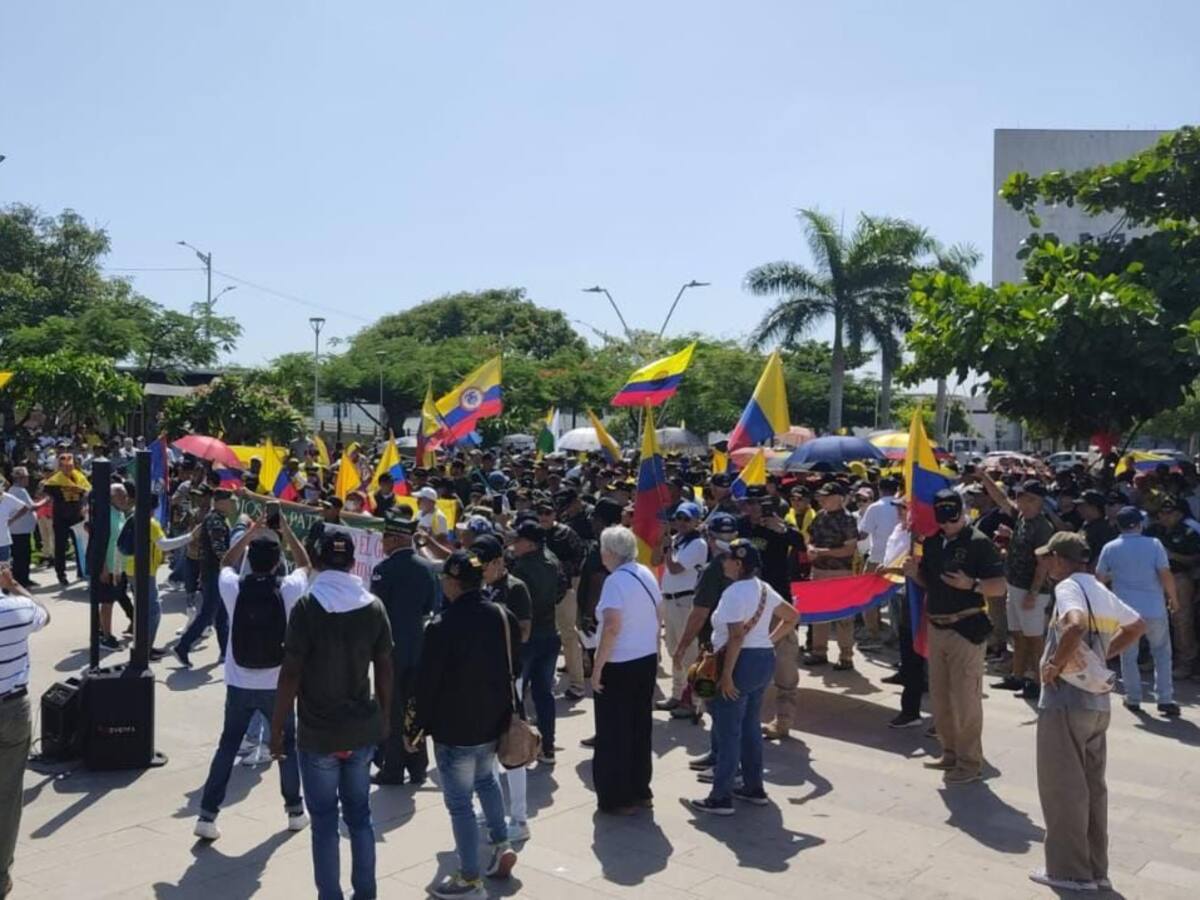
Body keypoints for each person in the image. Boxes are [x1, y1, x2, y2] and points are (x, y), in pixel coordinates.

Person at [270, 527, 394, 900]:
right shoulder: (373, 605)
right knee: (360, 818)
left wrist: (277, 729)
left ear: (317, 560)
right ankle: (366, 893)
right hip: (361, 729)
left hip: (318, 733)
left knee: (324, 823)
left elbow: (290, 673)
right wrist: (385, 716)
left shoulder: (307, 606)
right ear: (353, 562)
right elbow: (385, 667)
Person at [1031, 532, 1146, 893]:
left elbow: (1076, 624)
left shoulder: (1068, 587)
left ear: (1059, 559)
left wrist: (1054, 663)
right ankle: (1097, 869)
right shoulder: (1098, 588)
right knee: (1093, 789)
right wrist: (1102, 656)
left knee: (1063, 788)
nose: (1046, 564)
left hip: (1066, 700)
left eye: (1048, 558)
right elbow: (1137, 625)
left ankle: (1070, 872)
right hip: (1097, 703)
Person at [194, 517, 311, 840]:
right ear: (277, 563)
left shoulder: (234, 587)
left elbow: (225, 562)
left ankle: (207, 814)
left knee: (228, 746)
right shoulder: (288, 589)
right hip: (277, 685)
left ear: (250, 560)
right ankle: (295, 810)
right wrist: (286, 529)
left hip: (239, 682)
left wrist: (249, 531)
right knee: (286, 746)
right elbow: (305, 563)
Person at [413, 550, 520, 899]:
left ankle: (470, 877)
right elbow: (515, 666)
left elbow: (426, 683)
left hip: (454, 727)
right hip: (492, 721)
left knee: (460, 803)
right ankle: (501, 843)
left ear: (452, 583)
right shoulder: (502, 615)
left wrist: (414, 727)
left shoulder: (441, 626)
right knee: (487, 780)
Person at [903, 490, 1006, 785]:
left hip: (965, 628)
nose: (947, 524)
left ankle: (970, 762)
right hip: (937, 626)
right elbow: (930, 582)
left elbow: (1000, 587)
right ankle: (949, 752)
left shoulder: (979, 543)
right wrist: (914, 573)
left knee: (965, 700)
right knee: (940, 697)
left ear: (962, 512)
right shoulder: (933, 542)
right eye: (943, 518)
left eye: (952, 517)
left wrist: (971, 584)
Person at [689, 539, 799, 815]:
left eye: (726, 558)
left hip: (739, 662)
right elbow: (792, 616)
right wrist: (769, 640)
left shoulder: (733, 593)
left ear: (738, 564)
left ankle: (721, 797)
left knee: (728, 732)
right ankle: (753, 787)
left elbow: (736, 636)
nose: (722, 561)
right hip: (762, 660)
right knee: (750, 726)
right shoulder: (763, 588)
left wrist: (727, 675)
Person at [590, 525, 662, 815]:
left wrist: (597, 667)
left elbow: (612, 626)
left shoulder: (615, 582)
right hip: (645, 658)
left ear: (610, 552)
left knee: (613, 732)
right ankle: (640, 788)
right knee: (639, 726)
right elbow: (658, 614)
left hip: (619, 663)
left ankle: (618, 797)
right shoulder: (645, 573)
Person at [370, 510, 439, 785]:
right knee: (414, 706)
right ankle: (418, 766)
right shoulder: (427, 568)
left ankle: (393, 767)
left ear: (396, 539)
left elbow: (376, 610)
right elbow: (429, 606)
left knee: (391, 708)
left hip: (389, 648)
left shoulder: (383, 570)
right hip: (418, 645)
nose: (382, 543)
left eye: (385, 537)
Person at [474, 535, 532, 841]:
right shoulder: (478, 587)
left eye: (484, 564)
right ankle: (490, 808)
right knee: (486, 749)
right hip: (482, 677)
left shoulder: (515, 588)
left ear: (498, 562)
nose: (480, 570)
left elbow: (524, 631)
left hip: (508, 677)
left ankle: (519, 818)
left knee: (512, 747)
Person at [1096, 507, 1180, 715]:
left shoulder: (1110, 547)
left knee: (1128, 655)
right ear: (1140, 524)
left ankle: (1133, 698)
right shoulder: (1154, 544)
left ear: (1119, 525)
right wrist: (1173, 598)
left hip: (1125, 612)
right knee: (1161, 653)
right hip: (1154, 608)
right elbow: (1165, 573)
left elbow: (1099, 578)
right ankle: (1165, 698)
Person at [674, 513, 739, 768]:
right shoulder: (748, 564)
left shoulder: (713, 570)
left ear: (710, 538)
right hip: (744, 645)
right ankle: (728, 758)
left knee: (716, 705)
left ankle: (723, 761)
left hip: (716, 648)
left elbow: (700, 613)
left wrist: (681, 647)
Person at [0, 566, 49, 898]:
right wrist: (15, 585)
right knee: (7, 796)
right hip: (13, 708)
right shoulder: (17, 609)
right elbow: (44, 614)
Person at [987, 477, 1057, 699]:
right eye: (1021, 498)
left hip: (1031, 591)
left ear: (1039, 501)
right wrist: (983, 476)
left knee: (1034, 639)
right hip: (1015, 585)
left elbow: (1043, 564)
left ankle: (1037, 682)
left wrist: (1033, 593)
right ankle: (1017, 676)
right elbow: (1001, 498)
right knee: (1017, 635)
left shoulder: (1043, 527)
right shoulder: (1022, 517)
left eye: (1029, 499)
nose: (1023, 503)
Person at [509, 519, 563, 765]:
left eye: (518, 540)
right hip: (549, 633)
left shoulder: (521, 569)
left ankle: (521, 748)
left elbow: (517, 604)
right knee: (544, 694)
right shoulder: (552, 562)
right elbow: (561, 590)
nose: (514, 544)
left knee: (518, 694)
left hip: (527, 638)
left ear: (530, 544)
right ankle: (548, 747)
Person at [652, 501, 709, 716]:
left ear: (696, 521)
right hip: (669, 600)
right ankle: (677, 694)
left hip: (685, 601)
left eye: (687, 519)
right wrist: (661, 543)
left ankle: (693, 701)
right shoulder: (676, 540)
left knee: (688, 652)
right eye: (679, 518)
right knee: (673, 649)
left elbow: (675, 568)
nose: (682, 523)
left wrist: (668, 549)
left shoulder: (697, 544)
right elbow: (655, 560)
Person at [174, 487, 236, 668]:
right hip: (214, 572)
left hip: (215, 572)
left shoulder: (216, 518)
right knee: (208, 613)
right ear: (221, 502)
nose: (232, 505)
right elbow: (219, 551)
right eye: (229, 501)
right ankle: (183, 646)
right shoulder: (215, 520)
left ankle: (225, 653)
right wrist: (232, 564)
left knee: (221, 614)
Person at [806, 482, 860, 670]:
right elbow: (810, 538)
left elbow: (849, 550)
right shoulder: (820, 516)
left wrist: (821, 552)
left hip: (841, 573)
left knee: (844, 617)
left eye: (826, 496)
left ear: (838, 498)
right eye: (821, 496)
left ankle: (846, 656)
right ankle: (819, 652)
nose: (822, 500)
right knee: (819, 614)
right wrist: (810, 549)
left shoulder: (848, 519)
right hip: (819, 571)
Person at [537, 497, 587, 700]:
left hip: (563, 590)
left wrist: (565, 573)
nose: (544, 517)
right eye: (540, 513)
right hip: (541, 594)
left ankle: (577, 684)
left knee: (569, 636)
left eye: (547, 512)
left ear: (555, 514)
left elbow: (580, 554)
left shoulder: (566, 533)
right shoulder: (534, 534)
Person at [1145, 495, 1200, 678]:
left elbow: (1195, 558)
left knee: (1181, 620)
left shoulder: (1189, 531)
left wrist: (1172, 555)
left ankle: (1186, 662)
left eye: (1170, 513)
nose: (1164, 516)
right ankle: (1157, 658)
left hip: (1179, 577)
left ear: (1179, 514)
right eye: (1161, 513)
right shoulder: (1153, 530)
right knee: (1154, 619)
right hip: (1154, 578)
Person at [857, 476, 902, 647]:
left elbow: (863, 534)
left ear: (879, 489)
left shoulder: (874, 507)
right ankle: (896, 635)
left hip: (877, 559)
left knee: (868, 597)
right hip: (898, 560)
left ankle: (873, 634)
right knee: (895, 599)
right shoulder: (903, 506)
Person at [41, 453, 90, 586]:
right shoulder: (53, 482)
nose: (68, 468)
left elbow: (87, 492)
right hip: (61, 518)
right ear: (60, 467)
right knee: (60, 547)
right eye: (65, 466)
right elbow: (46, 494)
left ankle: (82, 570)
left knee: (80, 546)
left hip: (77, 517)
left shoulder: (79, 477)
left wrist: (84, 504)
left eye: (71, 465)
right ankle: (61, 574)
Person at [3, 470, 42, 588]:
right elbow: (31, 507)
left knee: (20, 555)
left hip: (19, 529)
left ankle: (21, 578)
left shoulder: (14, 490)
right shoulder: (19, 491)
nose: (28, 479)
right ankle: (22, 580)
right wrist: (46, 500)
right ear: (19, 478)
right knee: (23, 556)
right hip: (20, 530)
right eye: (26, 477)